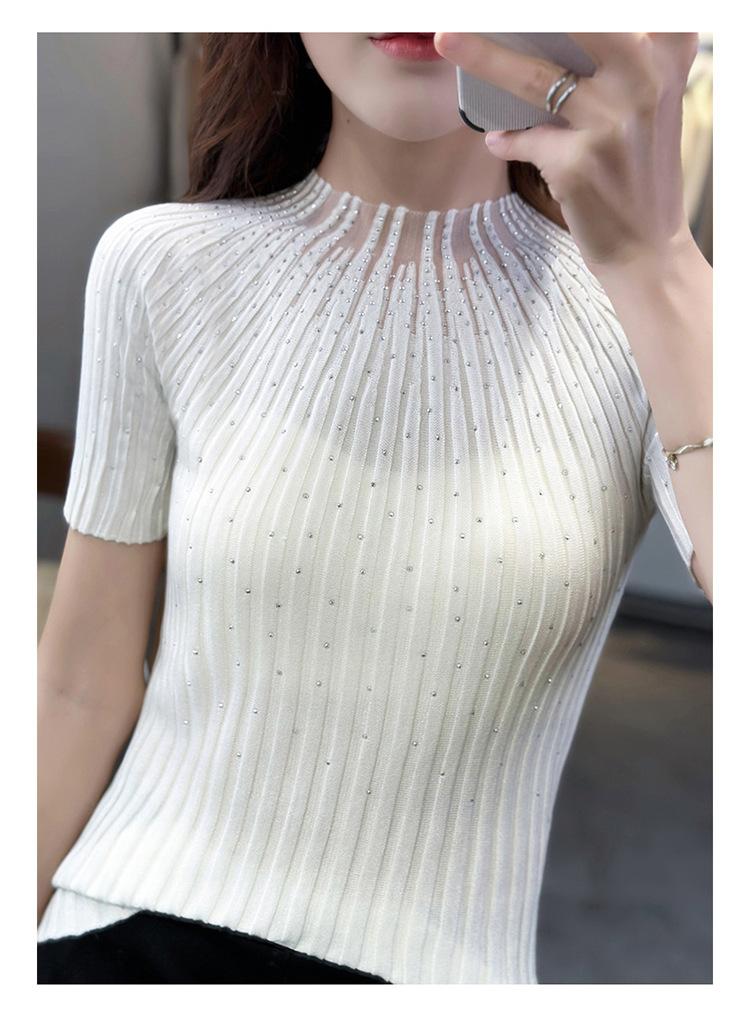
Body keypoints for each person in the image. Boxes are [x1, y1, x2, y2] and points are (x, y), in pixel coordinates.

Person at [37, 31, 712, 985]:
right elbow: (80, 684)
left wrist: (661, 261)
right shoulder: (163, 266)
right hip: (116, 942)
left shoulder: (649, 318)